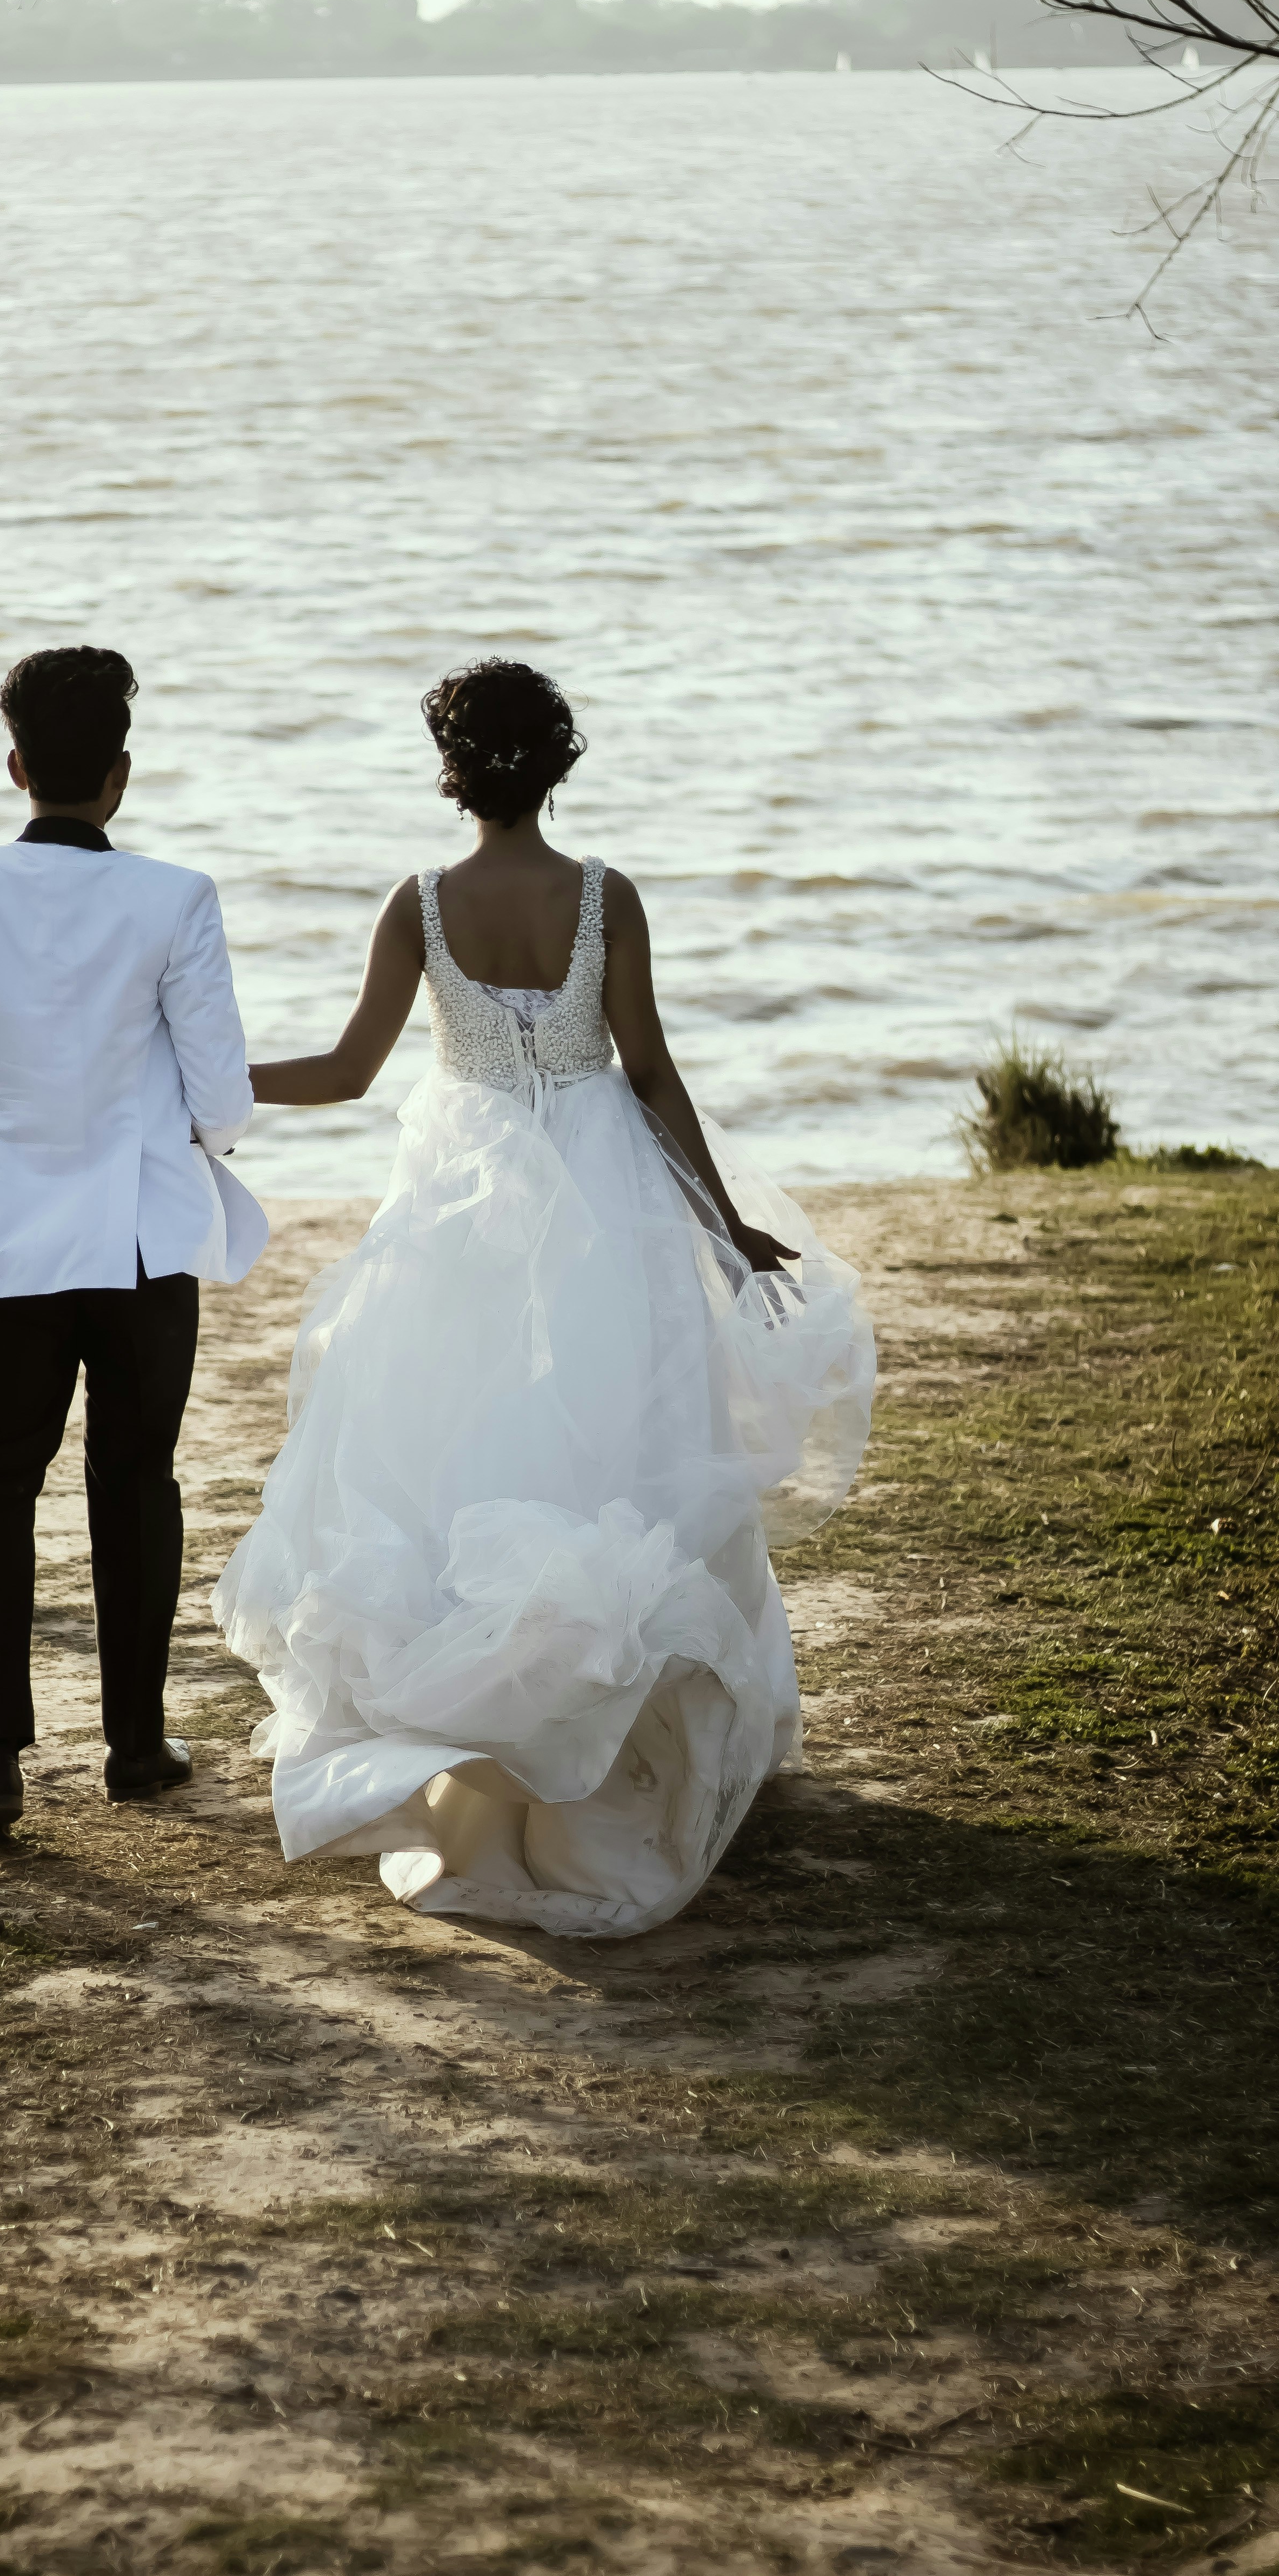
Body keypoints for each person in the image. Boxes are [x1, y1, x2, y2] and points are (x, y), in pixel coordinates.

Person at [215, 660, 874, 1939]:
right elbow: (650, 1074)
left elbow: (352, 1072)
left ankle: (484, 1747)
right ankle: (619, 1742)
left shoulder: (417, 904)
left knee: (458, 1455)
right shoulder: (603, 897)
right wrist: (722, 1221)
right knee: (618, 1449)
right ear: (556, 762)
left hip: (463, 1210)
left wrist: (210, 1092)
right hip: (606, 1204)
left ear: (453, 765)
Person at [0, 645, 267, 1845]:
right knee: (134, 1481)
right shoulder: (176, 897)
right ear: (121, 777)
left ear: (17, 766)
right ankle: (137, 1748)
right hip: (140, 1246)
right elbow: (227, 1104)